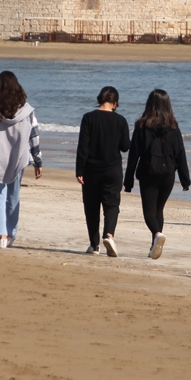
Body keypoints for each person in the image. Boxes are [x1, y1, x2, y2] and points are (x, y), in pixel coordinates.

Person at [0, 71, 42, 248]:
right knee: (13, 196)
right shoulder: (27, 110)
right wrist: (38, 160)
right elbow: (34, 136)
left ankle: (1, 236)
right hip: (18, 158)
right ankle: (10, 233)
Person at [124, 89, 191, 259]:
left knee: (148, 212)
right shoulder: (174, 127)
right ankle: (153, 245)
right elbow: (180, 154)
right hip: (168, 173)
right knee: (159, 209)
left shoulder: (141, 126)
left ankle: (156, 235)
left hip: (148, 172)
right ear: (168, 105)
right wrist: (185, 180)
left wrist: (128, 179)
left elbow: (134, 154)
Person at [76, 86, 130, 257]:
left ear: (100, 99)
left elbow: (83, 147)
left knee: (91, 206)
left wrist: (79, 170)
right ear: (115, 103)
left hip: (91, 169)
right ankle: (108, 235)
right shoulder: (121, 121)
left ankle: (94, 245)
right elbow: (125, 147)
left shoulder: (88, 118)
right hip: (113, 169)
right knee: (112, 204)